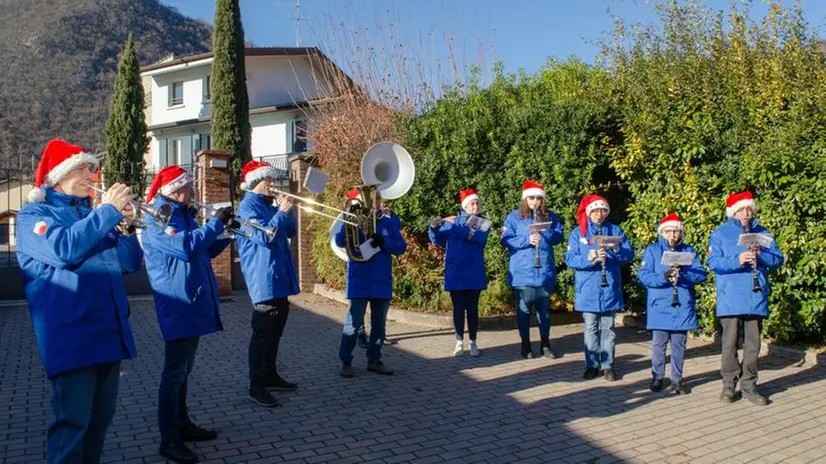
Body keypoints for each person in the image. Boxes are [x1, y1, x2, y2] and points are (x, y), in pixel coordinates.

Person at [16, 138, 143, 464]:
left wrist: (127, 230)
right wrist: (107, 214)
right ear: (59, 176)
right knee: (72, 428)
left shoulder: (94, 216)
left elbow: (130, 264)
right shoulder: (34, 215)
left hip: (108, 334)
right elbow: (64, 249)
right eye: (84, 168)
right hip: (71, 338)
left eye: (92, 168)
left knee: (99, 425)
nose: (92, 175)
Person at [141, 165, 234, 464]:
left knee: (184, 371)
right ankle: (169, 439)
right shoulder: (160, 215)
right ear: (175, 189)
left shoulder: (182, 214)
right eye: (190, 186)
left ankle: (182, 424)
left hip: (191, 300)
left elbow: (201, 251)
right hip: (177, 303)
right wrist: (214, 226)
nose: (194, 191)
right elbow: (182, 247)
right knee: (173, 374)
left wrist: (226, 234)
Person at [707, 191, 783, 405]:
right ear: (734, 212)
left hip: (755, 295)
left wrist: (762, 255)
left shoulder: (763, 232)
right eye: (741, 209)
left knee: (753, 345)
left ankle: (749, 385)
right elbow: (713, 263)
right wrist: (738, 258)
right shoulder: (720, 233)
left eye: (749, 209)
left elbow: (777, 259)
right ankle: (729, 386)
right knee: (729, 344)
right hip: (730, 296)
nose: (746, 213)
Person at [235, 160, 299, 408]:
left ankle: (270, 375)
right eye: (269, 180)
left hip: (279, 278)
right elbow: (265, 237)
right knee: (262, 335)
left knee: (276, 332)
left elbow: (290, 231)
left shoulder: (268, 205)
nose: (273, 184)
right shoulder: (247, 208)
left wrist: (288, 210)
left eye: (273, 180)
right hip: (263, 280)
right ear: (256, 182)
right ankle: (256, 384)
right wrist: (281, 213)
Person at [335, 188, 407, 378]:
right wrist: (348, 219)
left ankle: (374, 360)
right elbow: (339, 240)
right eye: (370, 199)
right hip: (359, 280)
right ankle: (346, 361)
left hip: (381, 280)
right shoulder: (354, 219)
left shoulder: (388, 222)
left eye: (376, 199)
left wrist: (383, 242)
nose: (373, 202)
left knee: (379, 325)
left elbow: (401, 247)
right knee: (353, 323)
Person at [565, 194, 633, 381]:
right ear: (589, 212)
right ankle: (591, 365)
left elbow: (628, 254)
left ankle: (608, 365)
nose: (599, 214)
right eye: (595, 211)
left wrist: (615, 251)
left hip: (609, 287)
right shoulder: (578, 233)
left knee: (608, 329)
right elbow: (570, 259)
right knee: (590, 328)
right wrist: (589, 257)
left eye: (603, 210)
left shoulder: (615, 230)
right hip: (588, 289)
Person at [638, 213, 707, 394]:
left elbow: (701, 274)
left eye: (676, 231)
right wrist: (664, 277)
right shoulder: (652, 251)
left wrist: (684, 274)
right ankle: (657, 377)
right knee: (659, 345)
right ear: (663, 233)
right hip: (660, 305)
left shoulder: (688, 251)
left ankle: (677, 380)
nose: (673, 235)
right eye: (669, 231)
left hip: (682, 304)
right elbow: (644, 276)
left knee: (679, 345)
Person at [501, 180, 565, 359]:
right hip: (523, 272)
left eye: (538, 198)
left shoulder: (549, 216)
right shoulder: (514, 217)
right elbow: (506, 239)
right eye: (531, 198)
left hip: (544, 271)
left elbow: (558, 236)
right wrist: (527, 241)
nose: (535, 201)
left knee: (544, 311)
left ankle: (545, 344)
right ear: (525, 199)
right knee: (524, 310)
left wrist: (545, 231)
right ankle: (525, 344)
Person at [429, 188, 490, 357]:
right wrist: (434, 228)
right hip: (455, 272)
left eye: (477, 203)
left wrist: (454, 226)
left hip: (474, 271)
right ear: (465, 206)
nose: (475, 206)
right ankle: (458, 342)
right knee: (457, 308)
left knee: (472, 308)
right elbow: (437, 240)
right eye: (472, 203)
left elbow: (478, 239)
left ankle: (473, 342)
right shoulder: (453, 221)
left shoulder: (483, 222)